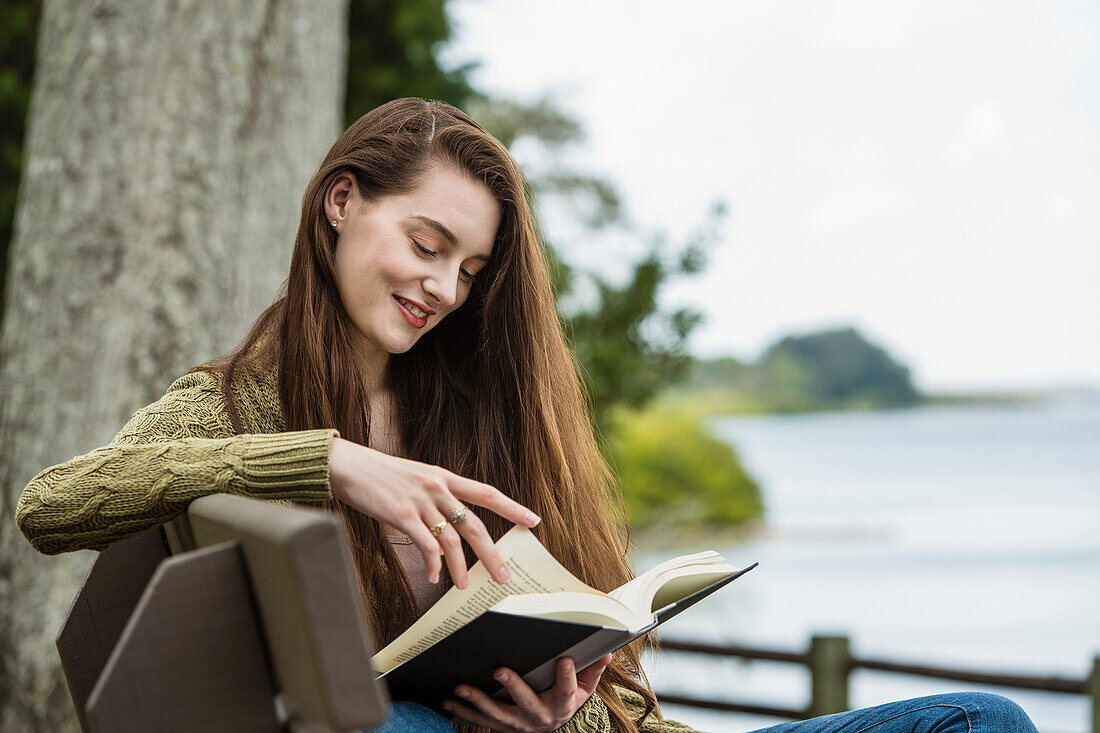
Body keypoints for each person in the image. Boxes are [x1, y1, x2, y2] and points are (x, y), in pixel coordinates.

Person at [14, 98, 1040, 733]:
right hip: (388, 725)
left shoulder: (474, 407)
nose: (443, 289)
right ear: (341, 202)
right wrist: (327, 463)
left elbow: (616, 700)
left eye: (467, 269)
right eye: (424, 243)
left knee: (982, 718)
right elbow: (51, 505)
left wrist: (562, 723)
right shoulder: (234, 405)